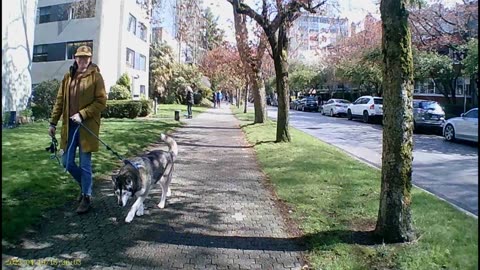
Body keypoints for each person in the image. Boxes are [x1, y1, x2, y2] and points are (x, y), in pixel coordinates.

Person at [48, 45, 107, 214]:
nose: (83, 60)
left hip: (86, 126)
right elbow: (60, 101)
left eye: (86, 57)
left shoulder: (96, 77)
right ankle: (85, 185)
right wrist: (53, 123)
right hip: (69, 127)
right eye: (80, 57)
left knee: (85, 164)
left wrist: (82, 114)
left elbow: (101, 101)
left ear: (90, 59)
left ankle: (86, 197)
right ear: (75, 58)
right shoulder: (68, 77)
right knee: (67, 161)